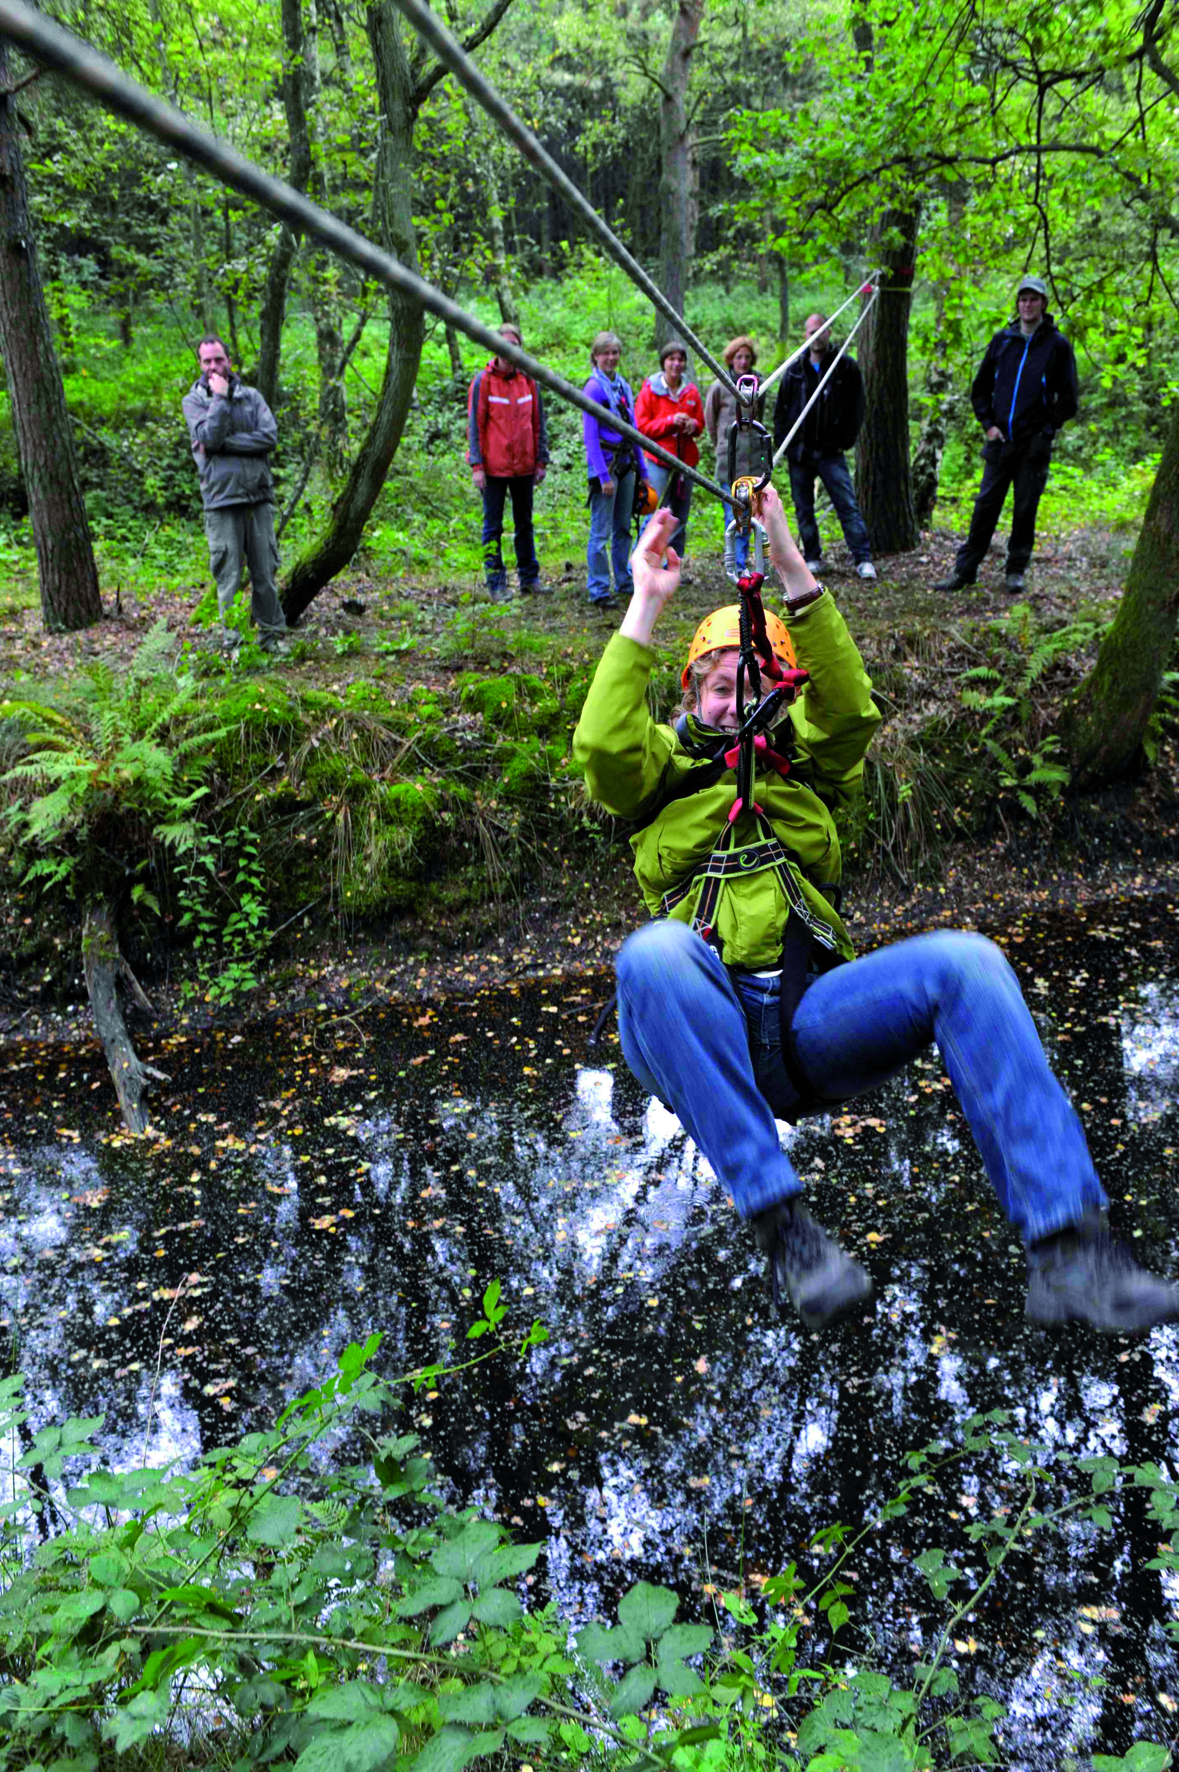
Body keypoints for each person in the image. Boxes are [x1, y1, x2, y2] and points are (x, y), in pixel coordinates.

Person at [572, 494, 1179, 1337]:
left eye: (753, 687)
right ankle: (787, 1234)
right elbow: (602, 748)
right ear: (691, 693)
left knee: (966, 962)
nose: (734, 703)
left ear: (781, 698)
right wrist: (645, 599)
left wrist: (788, 562)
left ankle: (1069, 1250)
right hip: (689, 1022)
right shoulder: (655, 773)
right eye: (719, 688)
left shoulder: (813, 774)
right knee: (652, 952)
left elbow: (851, 709)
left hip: (801, 1024)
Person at [934, 276, 1078, 594]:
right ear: (1018, 304)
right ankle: (964, 571)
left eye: (1034, 299)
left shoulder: (1057, 345)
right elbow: (980, 389)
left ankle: (1015, 571)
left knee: (1025, 508)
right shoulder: (1003, 341)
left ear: (1043, 303)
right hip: (999, 444)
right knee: (985, 506)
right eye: (1023, 299)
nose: (1027, 304)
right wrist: (988, 424)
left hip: (1033, 446)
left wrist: (1046, 429)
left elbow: (1069, 399)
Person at [183, 336, 289, 654]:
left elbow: (269, 437)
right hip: (221, 500)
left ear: (229, 360)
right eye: (207, 361)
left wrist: (228, 445)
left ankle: (271, 638)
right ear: (200, 365)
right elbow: (210, 437)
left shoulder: (252, 397)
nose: (214, 366)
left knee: (265, 572)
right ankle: (234, 644)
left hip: (257, 497)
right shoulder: (194, 402)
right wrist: (220, 399)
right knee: (228, 575)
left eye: (219, 359)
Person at [773, 312, 876, 581]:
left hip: (832, 453)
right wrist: (790, 446)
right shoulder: (794, 370)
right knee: (803, 507)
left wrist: (845, 440)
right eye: (811, 332)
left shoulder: (844, 367)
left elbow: (858, 407)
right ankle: (813, 556)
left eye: (821, 330)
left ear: (828, 333)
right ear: (805, 336)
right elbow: (781, 413)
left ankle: (863, 559)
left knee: (847, 505)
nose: (816, 336)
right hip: (801, 454)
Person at [466, 322, 549, 603]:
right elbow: (474, 428)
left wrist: (541, 461)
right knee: (492, 527)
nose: (508, 350)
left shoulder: (529, 380)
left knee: (524, 524)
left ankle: (529, 578)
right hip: (493, 470)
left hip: (525, 467)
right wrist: (476, 466)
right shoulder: (483, 382)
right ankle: (496, 584)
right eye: (503, 344)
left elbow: (539, 424)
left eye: (514, 345)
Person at [583, 331, 647, 613]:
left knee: (623, 527)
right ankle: (598, 588)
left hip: (627, 465)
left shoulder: (622, 386)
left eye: (615, 352)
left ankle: (623, 580)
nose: (611, 358)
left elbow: (632, 429)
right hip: (606, 467)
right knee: (601, 532)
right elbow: (590, 436)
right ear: (596, 356)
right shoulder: (593, 389)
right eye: (605, 352)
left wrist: (643, 469)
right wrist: (602, 476)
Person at [635, 340, 705, 568]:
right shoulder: (650, 391)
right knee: (657, 516)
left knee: (680, 517)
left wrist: (691, 425)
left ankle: (673, 566)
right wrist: (669, 422)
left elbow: (701, 425)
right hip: (659, 461)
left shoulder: (690, 391)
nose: (676, 364)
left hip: (686, 462)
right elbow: (641, 427)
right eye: (671, 359)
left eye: (680, 359)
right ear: (663, 362)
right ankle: (646, 564)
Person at [703, 334, 766, 574]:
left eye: (747, 357)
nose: (743, 361)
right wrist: (722, 443)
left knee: (748, 511)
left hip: (752, 460)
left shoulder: (758, 384)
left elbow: (760, 416)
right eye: (739, 357)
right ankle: (734, 562)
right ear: (731, 358)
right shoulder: (720, 385)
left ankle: (741, 562)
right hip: (727, 460)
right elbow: (711, 420)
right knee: (731, 512)